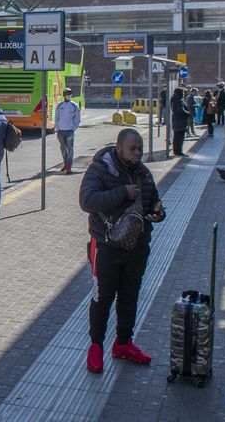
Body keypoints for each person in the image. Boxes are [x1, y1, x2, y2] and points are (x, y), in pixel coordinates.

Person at [79, 128, 165, 374]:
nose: (137, 153)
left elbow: (152, 202)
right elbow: (87, 201)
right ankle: (96, 346)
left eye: (140, 148)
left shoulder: (144, 173)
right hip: (106, 247)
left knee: (130, 296)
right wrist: (122, 193)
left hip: (137, 247)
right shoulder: (101, 169)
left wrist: (157, 213)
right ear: (118, 148)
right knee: (102, 297)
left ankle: (123, 343)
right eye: (132, 149)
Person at [55, 87, 81, 173]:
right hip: (60, 131)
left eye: (70, 94)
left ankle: (69, 166)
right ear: (64, 95)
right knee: (63, 148)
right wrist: (57, 128)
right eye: (67, 94)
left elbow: (77, 118)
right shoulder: (59, 105)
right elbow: (56, 117)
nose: (69, 96)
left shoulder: (74, 105)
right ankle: (65, 164)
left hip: (70, 131)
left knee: (70, 149)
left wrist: (73, 128)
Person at [170, 88, 191, 156]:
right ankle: (179, 151)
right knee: (180, 137)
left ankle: (176, 151)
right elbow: (181, 110)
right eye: (183, 93)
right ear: (179, 93)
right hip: (180, 121)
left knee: (176, 137)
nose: (184, 94)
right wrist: (188, 113)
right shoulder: (179, 101)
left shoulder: (174, 99)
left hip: (176, 120)